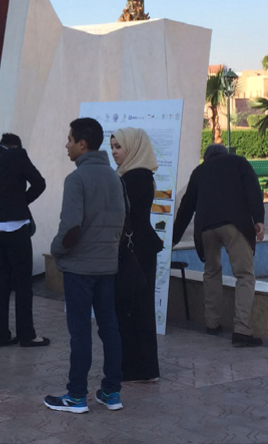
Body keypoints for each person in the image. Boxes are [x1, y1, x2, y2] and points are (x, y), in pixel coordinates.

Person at [45, 118, 125, 414]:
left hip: (80, 268)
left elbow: (70, 228)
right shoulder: (115, 177)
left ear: (82, 143)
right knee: (109, 328)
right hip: (107, 266)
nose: (66, 145)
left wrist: (56, 250)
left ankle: (77, 395)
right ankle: (112, 391)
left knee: (80, 331)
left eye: (70, 139)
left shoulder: (76, 179)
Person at [173, 143, 265, 347]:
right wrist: (259, 219)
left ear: (207, 158)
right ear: (225, 153)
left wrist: (174, 238)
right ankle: (242, 330)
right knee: (244, 274)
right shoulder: (239, 162)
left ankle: (212, 323)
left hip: (206, 228)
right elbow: (253, 190)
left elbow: (186, 206)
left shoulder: (200, 171)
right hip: (234, 224)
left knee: (211, 271)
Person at [0, 124, 49, 348]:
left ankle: (1, 334)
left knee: (1, 282)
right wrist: (21, 202)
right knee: (23, 282)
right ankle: (27, 334)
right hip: (16, 226)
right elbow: (39, 183)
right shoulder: (16, 155)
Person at [110, 128, 163, 382]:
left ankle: (137, 368)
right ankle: (138, 367)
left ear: (133, 148)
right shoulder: (134, 175)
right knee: (135, 307)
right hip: (139, 247)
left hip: (136, 250)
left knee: (134, 308)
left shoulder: (136, 177)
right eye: (112, 147)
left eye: (119, 146)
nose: (114, 152)